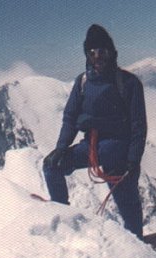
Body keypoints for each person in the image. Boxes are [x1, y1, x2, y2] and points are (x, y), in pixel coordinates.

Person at [43, 24, 147, 239]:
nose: (97, 57)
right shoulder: (82, 82)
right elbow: (70, 117)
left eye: (102, 51)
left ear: (112, 53)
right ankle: (63, 219)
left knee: (127, 200)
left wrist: (133, 158)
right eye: (92, 52)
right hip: (92, 144)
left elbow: (138, 125)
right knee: (51, 166)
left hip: (117, 146)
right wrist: (61, 149)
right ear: (87, 55)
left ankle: (137, 247)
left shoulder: (128, 83)